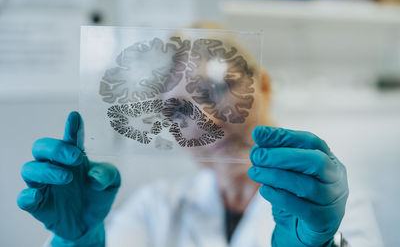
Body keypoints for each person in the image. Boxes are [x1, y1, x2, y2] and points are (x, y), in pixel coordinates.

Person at [17, 25, 383, 247]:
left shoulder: (331, 203)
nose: (206, 119)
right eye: (178, 109)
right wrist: (78, 240)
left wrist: (317, 246)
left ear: (265, 87)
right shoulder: (156, 206)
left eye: (218, 88)